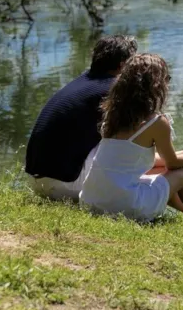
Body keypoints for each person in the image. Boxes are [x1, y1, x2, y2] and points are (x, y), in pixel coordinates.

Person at [79, 53, 183, 223]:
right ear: (156, 85)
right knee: (182, 175)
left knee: (161, 172)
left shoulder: (113, 116)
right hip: (123, 207)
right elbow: (172, 163)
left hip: (92, 202)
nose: (168, 83)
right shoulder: (156, 122)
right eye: (167, 78)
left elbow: (150, 159)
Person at [24, 34, 138, 201]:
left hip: (38, 181)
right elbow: (132, 144)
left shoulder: (82, 82)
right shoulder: (112, 90)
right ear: (123, 65)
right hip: (64, 185)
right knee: (128, 147)